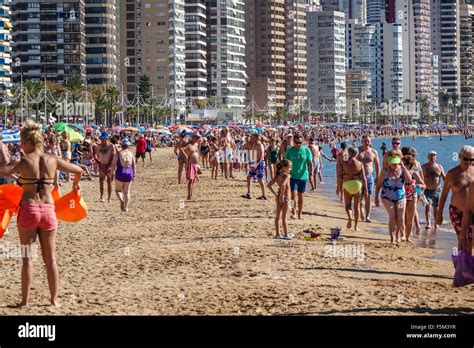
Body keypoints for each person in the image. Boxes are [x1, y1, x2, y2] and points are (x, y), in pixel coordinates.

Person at [0, 121, 83, 307]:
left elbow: (3, 171)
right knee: (50, 258)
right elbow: (79, 170)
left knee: (27, 257)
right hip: (48, 211)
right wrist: (75, 185)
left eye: (22, 142)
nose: (20, 146)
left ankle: (25, 301)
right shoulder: (52, 159)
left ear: (29, 142)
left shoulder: (23, 161)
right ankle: (54, 300)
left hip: (29, 209)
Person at [436, 145, 474, 248]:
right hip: (457, 211)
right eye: (466, 159)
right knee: (462, 240)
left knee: (471, 242)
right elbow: (444, 195)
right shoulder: (452, 174)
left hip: (472, 211)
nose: (469, 162)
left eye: (471, 159)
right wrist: (439, 215)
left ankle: (468, 262)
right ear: (460, 157)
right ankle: (461, 263)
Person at [375, 153, 412, 244]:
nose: (395, 166)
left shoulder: (402, 169)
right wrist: (376, 197)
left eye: (396, 163)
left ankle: (397, 234)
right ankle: (392, 238)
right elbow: (379, 184)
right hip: (387, 196)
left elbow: (409, 180)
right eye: (393, 164)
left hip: (401, 196)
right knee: (392, 216)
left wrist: (403, 167)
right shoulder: (385, 171)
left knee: (401, 218)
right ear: (389, 162)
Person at [284, 134, 313, 219]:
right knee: (294, 194)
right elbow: (285, 162)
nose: (298, 144)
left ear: (303, 141)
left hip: (303, 176)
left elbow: (310, 163)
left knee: (301, 195)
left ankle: (300, 213)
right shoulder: (290, 150)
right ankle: (294, 212)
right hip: (292, 176)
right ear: (293, 141)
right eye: (296, 142)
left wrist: (311, 174)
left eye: (300, 142)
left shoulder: (306, 150)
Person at [339, 147, 367, 231]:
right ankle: (356, 226)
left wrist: (339, 187)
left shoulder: (344, 162)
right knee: (357, 206)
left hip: (347, 184)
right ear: (356, 154)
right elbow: (364, 178)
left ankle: (350, 217)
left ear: (349, 153)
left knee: (348, 205)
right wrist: (366, 190)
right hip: (357, 184)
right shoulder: (360, 163)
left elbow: (340, 175)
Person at [267, 160, 293, 240]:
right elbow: (283, 184)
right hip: (285, 198)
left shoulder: (278, 176)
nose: (291, 169)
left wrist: (276, 194)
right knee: (284, 218)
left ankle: (278, 234)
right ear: (284, 168)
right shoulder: (287, 175)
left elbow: (268, 185)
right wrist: (282, 195)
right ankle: (286, 235)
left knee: (278, 216)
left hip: (278, 197)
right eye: (289, 167)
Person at [402, 155, 426, 242]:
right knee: (402, 217)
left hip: (412, 196)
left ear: (409, 165)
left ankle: (408, 237)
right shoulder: (399, 173)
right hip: (401, 197)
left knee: (410, 218)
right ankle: (403, 234)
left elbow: (424, 185)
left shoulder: (414, 173)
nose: (402, 165)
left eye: (404, 164)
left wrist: (420, 186)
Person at [357, 135, 380, 222]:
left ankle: (367, 216)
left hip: (369, 176)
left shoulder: (373, 152)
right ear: (361, 142)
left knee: (368, 196)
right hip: (358, 176)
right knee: (359, 197)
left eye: (368, 141)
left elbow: (377, 165)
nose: (366, 143)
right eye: (365, 141)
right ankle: (361, 211)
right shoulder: (357, 151)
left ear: (370, 142)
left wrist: (378, 177)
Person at [421, 151, 446, 231]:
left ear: (436, 157)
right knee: (427, 206)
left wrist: (449, 187)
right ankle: (428, 223)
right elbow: (419, 177)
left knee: (436, 207)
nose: (432, 157)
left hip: (436, 190)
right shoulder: (423, 167)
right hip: (426, 190)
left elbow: (444, 177)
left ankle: (436, 223)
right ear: (428, 157)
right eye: (431, 156)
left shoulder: (439, 166)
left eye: (434, 156)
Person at [111, 139, 136, 212]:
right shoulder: (131, 153)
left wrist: (111, 174)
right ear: (128, 146)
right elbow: (134, 166)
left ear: (121, 146)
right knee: (127, 192)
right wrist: (134, 175)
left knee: (118, 190)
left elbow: (113, 165)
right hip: (129, 173)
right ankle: (126, 208)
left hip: (120, 172)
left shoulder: (118, 153)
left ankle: (121, 200)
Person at [242, 133, 267, 200]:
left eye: (253, 137)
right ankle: (249, 193)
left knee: (260, 179)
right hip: (254, 163)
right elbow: (247, 148)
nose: (251, 139)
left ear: (256, 138)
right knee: (249, 177)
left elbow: (262, 156)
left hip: (259, 163)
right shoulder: (253, 144)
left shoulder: (260, 145)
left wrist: (256, 164)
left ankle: (264, 195)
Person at [95, 131, 116, 202]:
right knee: (101, 181)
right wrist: (98, 162)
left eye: (103, 139)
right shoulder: (99, 146)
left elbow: (113, 156)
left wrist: (109, 165)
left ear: (106, 139)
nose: (101, 141)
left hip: (109, 166)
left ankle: (109, 198)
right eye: (101, 139)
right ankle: (101, 197)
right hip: (102, 165)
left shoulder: (111, 146)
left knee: (109, 181)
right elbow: (94, 154)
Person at [182, 133, 201, 200]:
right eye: (196, 137)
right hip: (190, 164)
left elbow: (197, 153)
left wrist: (198, 163)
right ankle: (189, 196)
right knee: (190, 180)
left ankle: (191, 195)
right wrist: (186, 156)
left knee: (193, 181)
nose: (198, 139)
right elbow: (182, 149)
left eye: (198, 137)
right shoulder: (189, 144)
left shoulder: (196, 144)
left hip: (195, 164)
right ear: (193, 137)